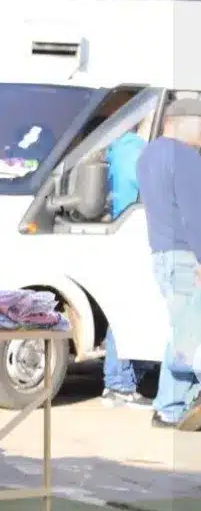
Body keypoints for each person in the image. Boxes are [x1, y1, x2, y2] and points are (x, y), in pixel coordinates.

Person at [137, 98, 201, 431]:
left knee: (184, 331)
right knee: (190, 335)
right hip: (187, 257)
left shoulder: (148, 154)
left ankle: (171, 407)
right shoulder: (186, 157)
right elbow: (196, 215)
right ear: (182, 122)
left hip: (164, 256)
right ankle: (172, 406)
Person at [101, 119, 154, 408]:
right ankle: (119, 383)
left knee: (128, 307)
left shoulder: (118, 149)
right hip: (139, 236)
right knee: (129, 308)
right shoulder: (136, 152)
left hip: (127, 232)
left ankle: (125, 378)